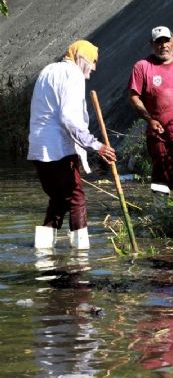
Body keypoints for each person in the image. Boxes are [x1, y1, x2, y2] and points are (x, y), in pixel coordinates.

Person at [27, 39, 116, 250]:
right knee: (76, 198)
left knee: (58, 198)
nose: (93, 68)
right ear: (81, 58)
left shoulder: (48, 70)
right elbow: (69, 118)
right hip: (58, 148)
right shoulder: (73, 75)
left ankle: (43, 253)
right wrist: (96, 146)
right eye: (93, 62)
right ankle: (81, 256)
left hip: (39, 148)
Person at [128, 26, 173, 194]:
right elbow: (134, 97)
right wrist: (149, 119)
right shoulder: (142, 67)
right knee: (162, 178)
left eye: (166, 41)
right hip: (160, 135)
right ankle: (161, 213)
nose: (163, 46)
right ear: (151, 45)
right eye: (158, 42)